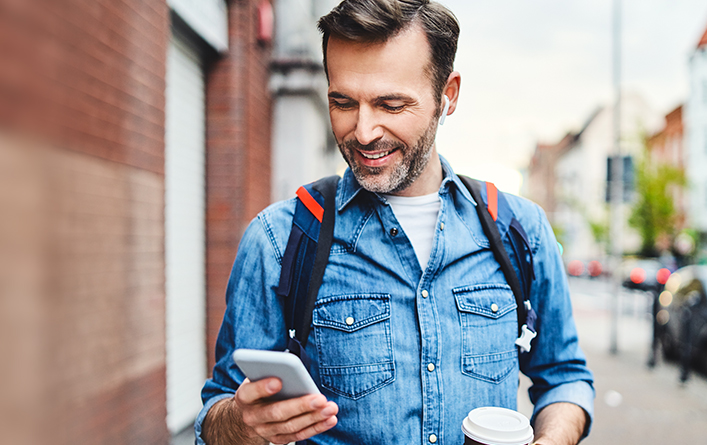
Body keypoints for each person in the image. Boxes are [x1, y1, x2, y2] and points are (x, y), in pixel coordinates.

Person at [195, 1, 594, 444]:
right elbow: (218, 410)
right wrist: (240, 424)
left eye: (391, 104)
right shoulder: (279, 239)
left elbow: (564, 377)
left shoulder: (520, 230)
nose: (364, 131)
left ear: (449, 94)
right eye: (343, 102)